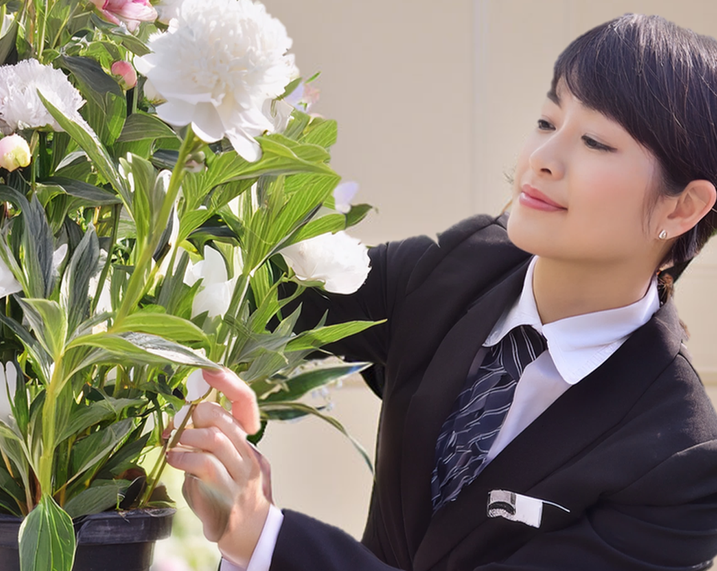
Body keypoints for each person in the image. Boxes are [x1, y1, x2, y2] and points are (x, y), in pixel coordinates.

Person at [166, 13, 717, 570]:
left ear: (682, 207)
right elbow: (250, 296)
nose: (541, 159)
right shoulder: (457, 268)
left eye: (595, 141)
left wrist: (265, 540)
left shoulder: (681, 461)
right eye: (547, 121)